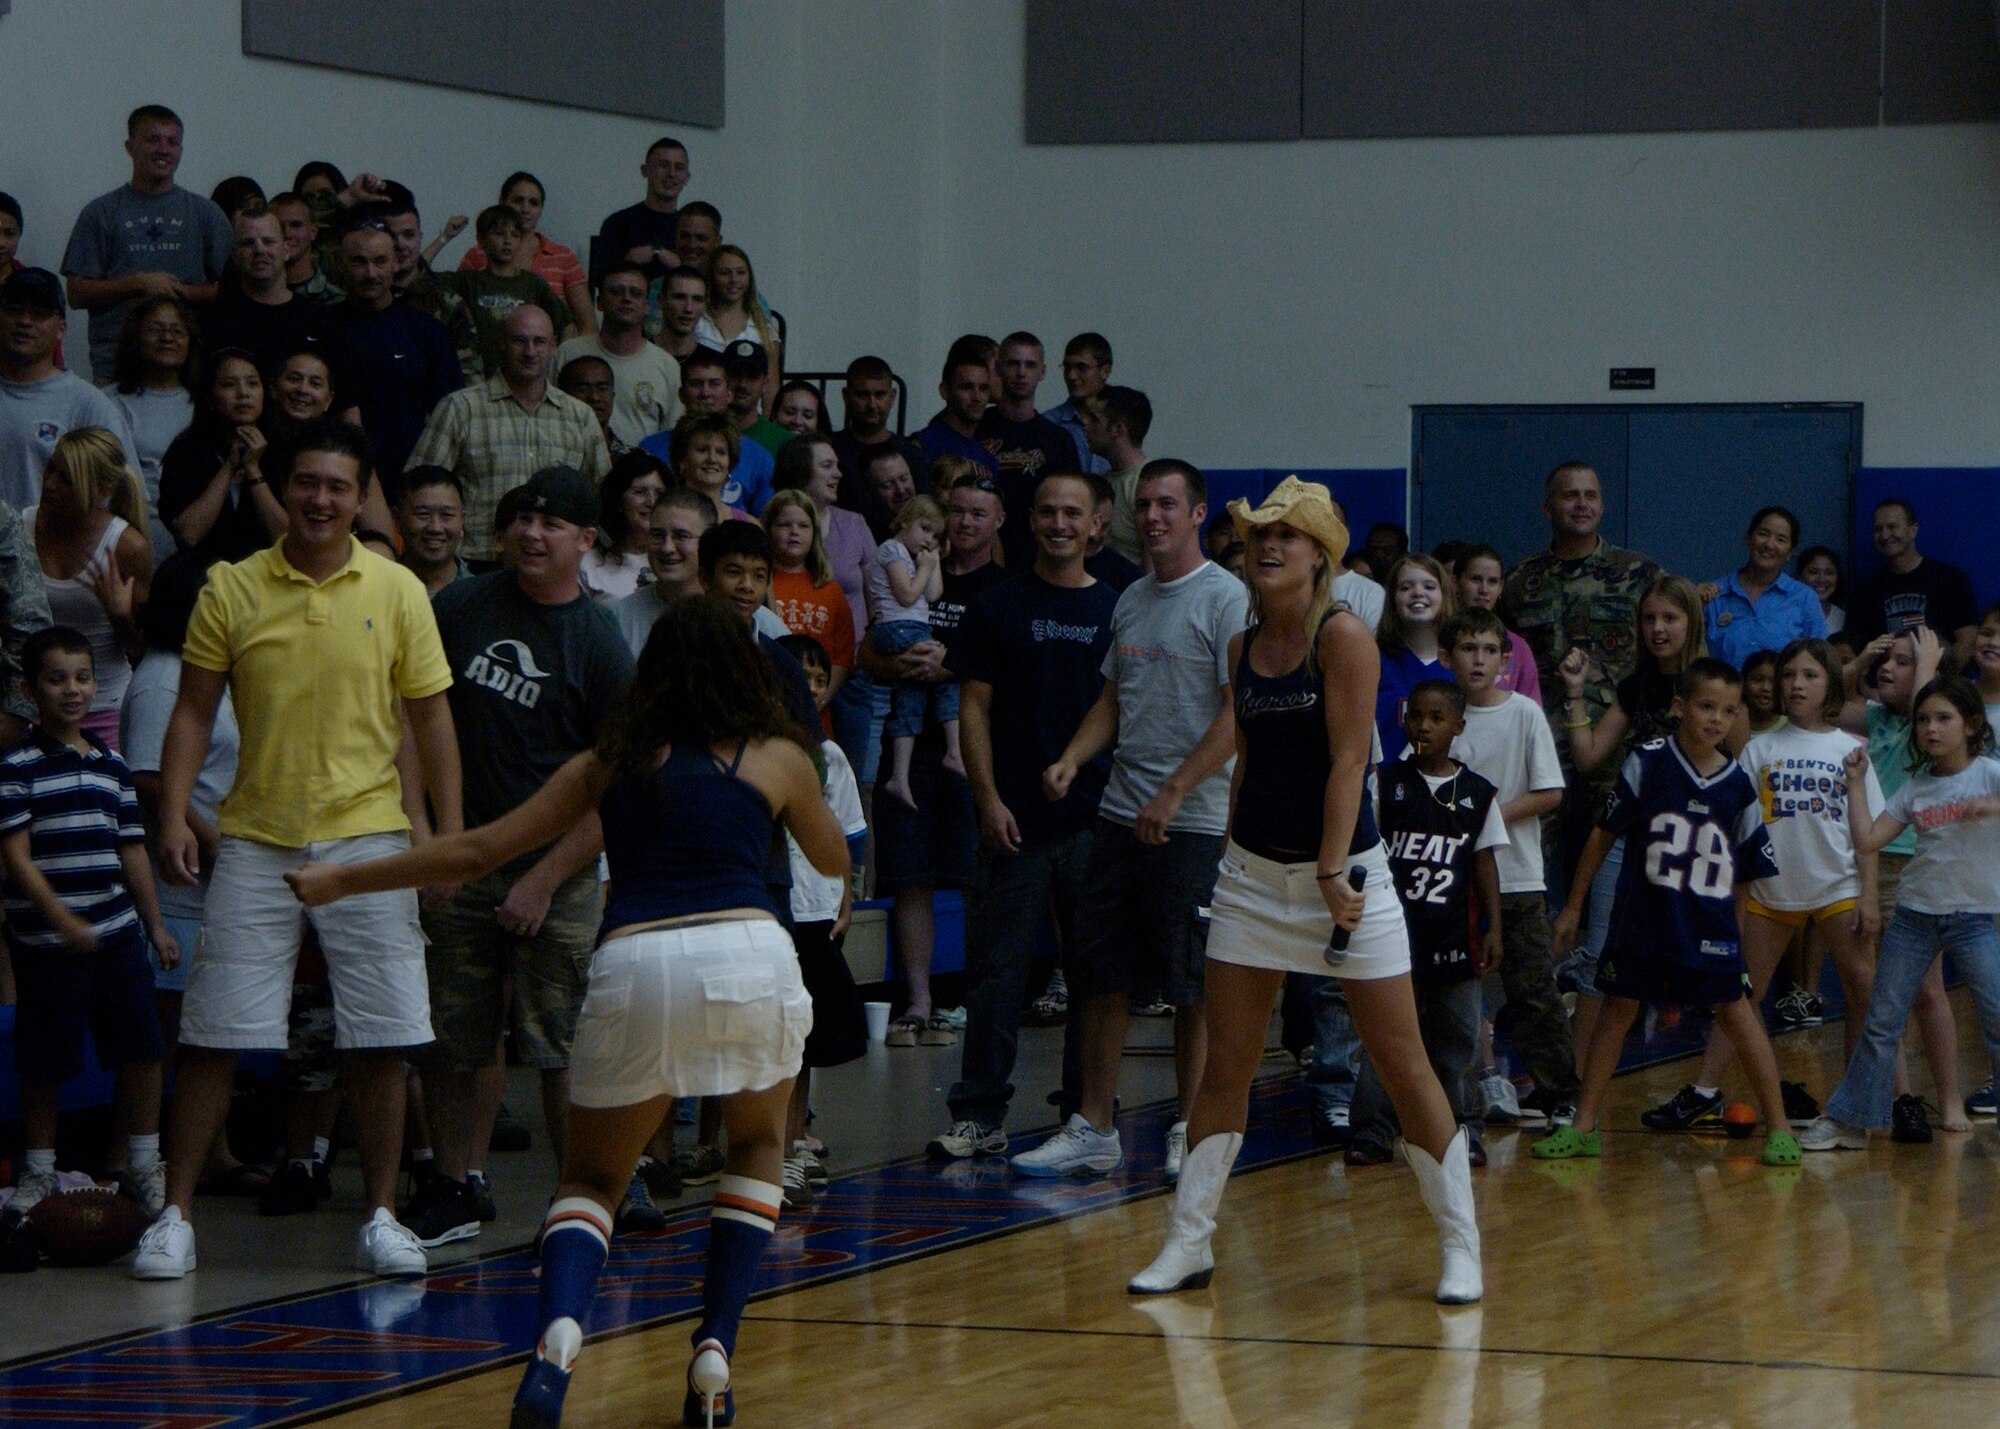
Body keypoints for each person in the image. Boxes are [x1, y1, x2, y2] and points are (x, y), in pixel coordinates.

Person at [287, 590, 840, 1427]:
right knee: (759, 1144)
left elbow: (479, 850)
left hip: (636, 958)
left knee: (590, 1177)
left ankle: (558, 1333)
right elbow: (830, 857)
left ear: (651, 674)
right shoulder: (778, 757)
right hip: (750, 953)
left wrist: (338, 880)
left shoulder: (609, 761)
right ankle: (715, 1351)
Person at [1127, 476, 1482, 1305]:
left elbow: (1351, 761)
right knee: (1226, 1069)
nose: (1269, 547)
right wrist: (1207, 823)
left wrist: (1329, 870)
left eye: (1287, 536)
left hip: (1347, 878)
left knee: (1404, 1064)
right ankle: (1188, 1243)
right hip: (1252, 881)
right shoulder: (1240, 646)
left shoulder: (1345, 635)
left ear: (1320, 555)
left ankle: (1462, 1245)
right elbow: (1248, 750)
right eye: (1258, 536)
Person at [131, 418, 462, 1282]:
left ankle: (383, 1214)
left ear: (360, 498)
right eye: (306, 482)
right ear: (282, 489)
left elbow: (430, 719)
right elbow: (194, 712)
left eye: (338, 486)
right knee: (212, 1031)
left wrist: (449, 840)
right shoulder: (231, 587)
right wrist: (172, 813)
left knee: (383, 1034)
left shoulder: (397, 591)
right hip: (254, 837)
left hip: (374, 839)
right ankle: (176, 1214)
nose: (321, 499)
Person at [399, 466, 637, 1249]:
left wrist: (543, 877)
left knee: (561, 1040)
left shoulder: (601, 643)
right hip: (460, 853)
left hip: (556, 868)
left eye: (553, 522)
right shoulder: (460, 606)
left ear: (586, 541)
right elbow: (411, 721)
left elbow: (618, 786)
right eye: (521, 519)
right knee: (451, 1036)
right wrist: (430, 839)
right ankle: (455, 1184)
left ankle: (587, 1195)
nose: (533, 533)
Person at [1007, 461, 1246, 1178]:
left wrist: (1175, 790)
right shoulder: (1132, 598)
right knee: (1099, 973)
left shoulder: (1227, 599)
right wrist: (1074, 758)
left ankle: (1191, 1127)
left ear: (1197, 513)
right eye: (1143, 504)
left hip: (1194, 820)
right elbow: (1113, 697)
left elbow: (1240, 714)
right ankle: (1095, 1124)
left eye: (1167, 504)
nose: (1152, 516)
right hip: (1119, 814)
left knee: (1190, 985)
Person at [1534, 659, 1799, 1168]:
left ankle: (1781, 1127)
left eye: (1727, 710)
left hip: (1711, 930)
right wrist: (1573, 906)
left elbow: (1745, 873)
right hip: (1643, 924)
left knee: (1739, 1015)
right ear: (1680, 708)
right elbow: (1602, 834)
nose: (1716, 719)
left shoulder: (1739, 786)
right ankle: (1583, 1126)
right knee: (1617, 1011)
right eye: (1705, 707)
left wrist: (1737, 938)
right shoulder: (1648, 761)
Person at [1644, 639, 1896, 1134]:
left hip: (1839, 887)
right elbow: (1734, 820)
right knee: (1736, 995)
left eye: (1809, 675)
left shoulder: (1851, 749)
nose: (1797, 684)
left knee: (1863, 993)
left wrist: (1869, 895)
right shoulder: (1760, 747)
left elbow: (1867, 832)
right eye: (1789, 676)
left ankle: (1858, 1098)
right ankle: (1704, 1092)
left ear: (1830, 684)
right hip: (1769, 892)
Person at [920, 474, 1112, 1090]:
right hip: (1012, 822)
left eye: (1072, 514)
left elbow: (1117, 709)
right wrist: (987, 799)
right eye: (1049, 512)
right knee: (996, 972)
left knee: (1092, 974)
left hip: (1093, 820)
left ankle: (1086, 1111)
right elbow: (971, 707)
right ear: (1029, 520)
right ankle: (979, 1112)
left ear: (1095, 524)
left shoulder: (1116, 607)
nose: (1060, 524)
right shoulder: (996, 606)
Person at [0, 625, 178, 1220]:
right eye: (56, 679)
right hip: (46, 942)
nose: (72, 690)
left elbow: (132, 851)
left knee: (143, 1048)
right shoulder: (17, 768)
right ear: (30, 690)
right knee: (45, 1059)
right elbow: (16, 858)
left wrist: (154, 926)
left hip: (117, 934)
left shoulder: (112, 766)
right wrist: (61, 918)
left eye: (81, 677)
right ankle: (40, 1170)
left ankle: (143, 1165)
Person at [1796, 678, 2000, 1152]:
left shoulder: (1989, 774)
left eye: (1943, 718)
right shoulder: (1916, 786)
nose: (1930, 728)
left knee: (1995, 1016)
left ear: (1971, 726)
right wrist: (1852, 784)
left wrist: (1990, 805)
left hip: (1972, 919)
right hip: (1914, 916)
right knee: (1882, 1020)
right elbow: (1867, 840)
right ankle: (1853, 1121)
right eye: (1924, 719)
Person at [867, 474, 1005, 1050]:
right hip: (910, 749)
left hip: (977, 752)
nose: (966, 523)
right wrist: (902, 665)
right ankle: (920, 1000)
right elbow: (865, 652)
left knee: (983, 878)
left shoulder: (1007, 588)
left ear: (998, 522)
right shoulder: (905, 562)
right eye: (958, 512)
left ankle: (979, 999)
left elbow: (1015, 671)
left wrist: (956, 665)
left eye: (979, 514)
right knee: (910, 877)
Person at [1344, 681, 1506, 1166]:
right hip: (1392, 939)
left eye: (1436, 718)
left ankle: (1463, 1132)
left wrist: (1494, 928)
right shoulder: (1386, 783)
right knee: (1384, 1040)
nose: (1424, 726)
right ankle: (1373, 1131)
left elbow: (1484, 864)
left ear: (1458, 727)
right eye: (1416, 716)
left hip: (1455, 941)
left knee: (1457, 1043)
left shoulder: (1477, 794)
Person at [1440, 608, 1579, 1120]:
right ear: (1446, 657)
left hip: (1516, 875)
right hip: (1449, 876)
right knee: (1451, 991)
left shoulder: (1523, 713)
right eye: (1467, 649)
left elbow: (1550, 793)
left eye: (1488, 650)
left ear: (1505, 659)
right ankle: (1458, 1093)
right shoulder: (1438, 713)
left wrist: (1485, 816)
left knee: (1533, 990)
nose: (1477, 660)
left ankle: (1561, 1096)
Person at [770, 633, 870, 1209]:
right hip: (771, 908)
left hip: (815, 911)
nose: (806, 690)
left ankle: (793, 1138)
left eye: (816, 678)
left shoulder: (829, 757)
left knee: (807, 1036)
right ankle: (770, 1151)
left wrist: (847, 898)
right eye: (795, 677)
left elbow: (850, 841)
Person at [405, 305, 610, 568]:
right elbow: (417, 488)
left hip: (553, 568)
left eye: (539, 342)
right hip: (476, 565)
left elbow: (600, 496)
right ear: (502, 342)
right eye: (519, 341)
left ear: (554, 346)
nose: (530, 352)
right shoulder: (460, 408)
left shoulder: (579, 416)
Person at [60, 106, 232, 380]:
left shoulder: (206, 214)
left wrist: (182, 291)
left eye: (172, 142)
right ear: (130, 147)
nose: (163, 149)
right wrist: (138, 283)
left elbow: (234, 292)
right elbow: (77, 293)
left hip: (187, 364)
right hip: (116, 362)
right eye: (152, 140)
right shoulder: (101, 212)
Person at [28, 428, 153, 749]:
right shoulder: (23, 527)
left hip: (104, 703)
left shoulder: (127, 546)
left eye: (66, 479)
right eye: (50, 469)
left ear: (103, 488)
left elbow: (142, 649)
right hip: (34, 703)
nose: (50, 484)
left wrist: (119, 616)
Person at [331, 222, 462, 489]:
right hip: (337, 478)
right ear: (340, 264)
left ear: (396, 263)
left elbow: (449, 416)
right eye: (359, 262)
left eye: (380, 261)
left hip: (411, 482)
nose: (370, 273)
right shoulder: (322, 328)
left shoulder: (428, 332)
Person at [0, 268, 142, 511]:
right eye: (14, 309)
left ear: (60, 329)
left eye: (39, 313)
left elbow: (124, 496)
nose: (24, 321)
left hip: (49, 547)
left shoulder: (89, 406)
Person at [200, 207, 361, 412]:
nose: (259, 250)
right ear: (235, 255)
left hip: (308, 441)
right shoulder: (213, 322)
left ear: (286, 249)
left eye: (268, 241)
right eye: (248, 243)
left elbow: (348, 404)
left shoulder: (321, 321)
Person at [869, 495, 959, 812]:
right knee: (946, 674)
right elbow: (907, 595)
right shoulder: (891, 549)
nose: (928, 539)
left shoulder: (917, 557)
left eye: (936, 535)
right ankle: (955, 751)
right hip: (898, 627)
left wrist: (932, 561)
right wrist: (923, 566)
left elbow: (933, 594)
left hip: (912, 627)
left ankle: (899, 776)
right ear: (905, 520)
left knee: (912, 697)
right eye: (924, 529)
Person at [156, 349, 289, 564]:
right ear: (210, 397)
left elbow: (284, 538)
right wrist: (229, 466)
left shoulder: (284, 451)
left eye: (252, 383)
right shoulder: (186, 453)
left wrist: (253, 469)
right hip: (201, 573)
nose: (243, 393)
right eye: (229, 384)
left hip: (268, 574)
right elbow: (189, 535)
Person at [110, 292, 199, 560]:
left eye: (177, 331)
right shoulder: (107, 402)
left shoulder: (207, 404)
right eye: (155, 329)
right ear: (135, 338)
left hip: (196, 544)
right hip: (129, 541)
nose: (167, 338)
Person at [554, 262, 679, 450]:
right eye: (616, 292)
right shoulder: (568, 353)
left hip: (641, 474)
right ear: (599, 302)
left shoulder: (667, 365)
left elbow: (671, 437)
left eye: (635, 293)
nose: (626, 298)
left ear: (646, 306)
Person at [639, 348, 775, 515]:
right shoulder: (650, 449)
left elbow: (764, 524)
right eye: (696, 384)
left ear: (729, 394)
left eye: (714, 384)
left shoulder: (759, 458)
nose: (705, 393)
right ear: (681, 394)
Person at [456, 173, 593, 338]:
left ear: (541, 209)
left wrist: (566, 360)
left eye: (533, 203)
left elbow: (587, 325)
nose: (525, 209)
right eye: (518, 200)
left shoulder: (563, 257)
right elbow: (454, 310)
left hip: (545, 357)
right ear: (502, 202)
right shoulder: (478, 254)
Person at [978, 334, 1078, 560]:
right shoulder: (976, 429)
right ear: (998, 368)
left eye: (1030, 365)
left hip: (1041, 555)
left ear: (1042, 372)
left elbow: (1073, 503)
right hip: (981, 556)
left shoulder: (1058, 440)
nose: (1021, 373)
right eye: (1013, 363)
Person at [1845, 499, 1979, 663]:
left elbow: (1968, 639)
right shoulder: (1864, 592)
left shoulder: (1949, 579)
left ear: (1913, 530)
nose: (1885, 535)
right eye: (1878, 529)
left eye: (1892, 527)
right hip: (1885, 685)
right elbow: (1853, 650)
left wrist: (1938, 683)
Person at [378, 189, 483, 386]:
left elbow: (470, 378)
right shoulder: (366, 297)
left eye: (408, 235)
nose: (400, 244)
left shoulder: (447, 303)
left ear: (420, 237)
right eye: (391, 236)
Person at [445, 207, 571, 371]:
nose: (507, 241)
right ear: (481, 240)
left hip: (524, 377)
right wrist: (445, 237)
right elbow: (416, 278)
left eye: (515, 235)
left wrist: (554, 364)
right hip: (477, 379)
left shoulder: (533, 284)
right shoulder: (467, 281)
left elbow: (565, 323)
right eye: (499, 233)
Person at [1700, 505, 1827, 667]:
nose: (1769, 544)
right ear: (1748, 539)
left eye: (1780, 539)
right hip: (1725, 691)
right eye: (1763, 534)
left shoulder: (1804, 598)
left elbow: (1819, 660)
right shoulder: (1716, 593)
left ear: (1790, 552)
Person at [764, 489, 856, 710]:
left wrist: (819, 701)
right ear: (769, 529)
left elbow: (842, 658)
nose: (794, 532)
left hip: (816, 713)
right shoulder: (760, 584)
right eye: (785, 525)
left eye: (804, 526)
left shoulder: (830, 590)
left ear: (814, 533)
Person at [610, 489, 722, 656]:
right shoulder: (618, 619)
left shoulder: (742, 614)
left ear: (709, 541)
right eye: (657, 535)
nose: (667, 547)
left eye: (681, 535)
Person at [1375, 554, 1455, 765]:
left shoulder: (1460, 663)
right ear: (1392, 598)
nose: (1418, 593)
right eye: (1405, 588)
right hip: (1382, 789)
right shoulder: (1373, 660)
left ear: (1445, 595)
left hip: (1447, 789)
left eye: (1429, 587)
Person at [593, 136, 691, 288]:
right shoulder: (618, 224)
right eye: (663, 165)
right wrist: (628, 262)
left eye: (678, 167)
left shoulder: (691, 228)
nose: (671, 174)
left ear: (686, 177)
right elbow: (600, 282)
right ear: (645, 171)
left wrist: (679, 266)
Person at [1453, 544, 1540, 703]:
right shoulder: (1440, 638)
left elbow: (1531, 714)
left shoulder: (1517, 647)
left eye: (1492, 581)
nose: (1484, 589)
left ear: (1501, 588)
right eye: (1475, 579)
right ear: (1455, 582)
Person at [579, 451, 667, 602]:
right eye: (640, 492)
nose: (652, 501)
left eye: (659, 494)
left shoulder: (675, 558)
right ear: (618, 501)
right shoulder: (589, 563)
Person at [1083, 386, 1151, 565]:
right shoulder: (1102, 482)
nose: (1086, 425)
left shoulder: (1148, 484)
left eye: (1094, 420)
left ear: (1118, 429)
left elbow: (1153, 563)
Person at [701, 249, 782, 392]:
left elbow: (770, 388)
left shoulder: (764, 329)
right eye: (725, 273)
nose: (734, 280)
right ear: (712, 277)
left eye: (741, 272)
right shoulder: (698, 321)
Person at [1042, 333, 1113, 476]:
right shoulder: (1048, 423)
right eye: (1067, 367)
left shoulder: (1121, 421)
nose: (1071, 376)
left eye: (1081, 368)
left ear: (1105, 371)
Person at [397, 466, 469, 595]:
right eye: (423, 514)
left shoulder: (482, 597)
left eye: (447, 515)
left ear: (462, 522)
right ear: (398, 520)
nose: (435, 528)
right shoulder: (377, 588)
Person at [722, 340, 789, 458]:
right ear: (722, 378)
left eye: (752, 377)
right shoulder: (704, 434)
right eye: (736, 374)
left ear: (765, 384)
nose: (742, 384)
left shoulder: (783, 441)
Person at [650, 265, 708, 363]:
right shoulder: (637, 358)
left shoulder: (715, 363)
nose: (688, 308)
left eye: (697, 299)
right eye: (680, 297)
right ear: (661, 301)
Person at [1796, 545, 1847, 642]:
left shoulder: (1842, 618)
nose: (1821, 579)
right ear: (1799, 577)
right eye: (1814, 572)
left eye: (1829, 573)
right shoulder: (1787, 613)